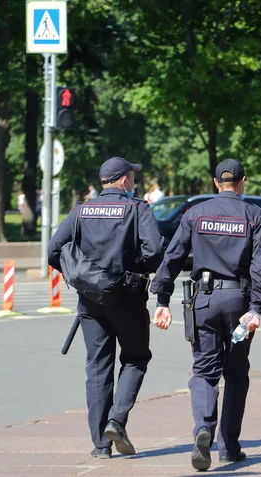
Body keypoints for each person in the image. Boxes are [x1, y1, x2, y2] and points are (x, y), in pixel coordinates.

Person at [150, 158, 261, 471]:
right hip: (239, 304)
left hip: (203, 302)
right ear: (243, 181)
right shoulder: (254, 215)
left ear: (216, 182)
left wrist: (162, 299)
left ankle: (204, 428)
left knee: (205, 371)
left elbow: (173, 256)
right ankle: (229, 446)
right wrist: (257, 308)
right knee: (235, 373)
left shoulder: (195, 213)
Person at [48, 157, 165, 459]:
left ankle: (101, 445)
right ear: (125, 179)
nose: (134, 182)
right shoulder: (138, 209)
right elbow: (155, 253)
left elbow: (54, 250)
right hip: (128, 297)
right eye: (132, 177)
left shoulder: (80, 210)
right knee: (136, 359)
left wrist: (83, 276)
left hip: (90, 301)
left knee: (98, 368)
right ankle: (117, 420)